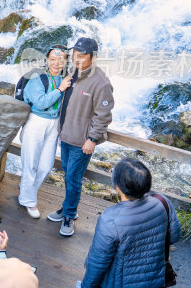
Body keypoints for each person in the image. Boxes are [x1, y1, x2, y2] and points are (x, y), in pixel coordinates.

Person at [47, 37, 114, 236]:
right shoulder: (72, 73)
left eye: (82, 56)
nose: (77, 59)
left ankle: (69, 215)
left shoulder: (101, 83)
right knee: (68, 175)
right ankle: (68, 208)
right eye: (75, 55)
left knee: (73, 178)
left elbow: (103, 115)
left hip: (81, 142)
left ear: (93, 57)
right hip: (66, 135)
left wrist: (92, 139)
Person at [81, 158, 181, 287]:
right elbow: (174, 236)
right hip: (155, 279)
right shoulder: (162, 202)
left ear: (117, 186)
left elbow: (98, 264)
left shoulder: (110, 219)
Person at [18, 45, 72, 218]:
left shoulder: (65, 78)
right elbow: (40, 103)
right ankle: (29, 201)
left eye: (61, 59)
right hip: (36, 121)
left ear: (66, 62)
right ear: (47, 60)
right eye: (53, 59)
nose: (56, 63)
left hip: (54, 124)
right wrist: (60, 89)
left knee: (46, 165)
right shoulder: (37, 78)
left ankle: (26, 193)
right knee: (30, 163)